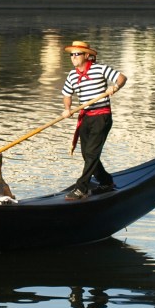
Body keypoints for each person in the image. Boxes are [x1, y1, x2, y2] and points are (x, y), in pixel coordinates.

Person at [60, 39, 127, 199]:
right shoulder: (71, 75)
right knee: (87, 154)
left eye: (77, 54)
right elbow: (66, 94)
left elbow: (122, 78)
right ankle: (106, 181)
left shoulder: (99, 69)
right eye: (72, 54)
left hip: (101, 116)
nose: (73, 57)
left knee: (91, 153)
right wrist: (67, 109)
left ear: (86, 55)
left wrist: (115, 87)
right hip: (86, 117)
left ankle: (81, 187)